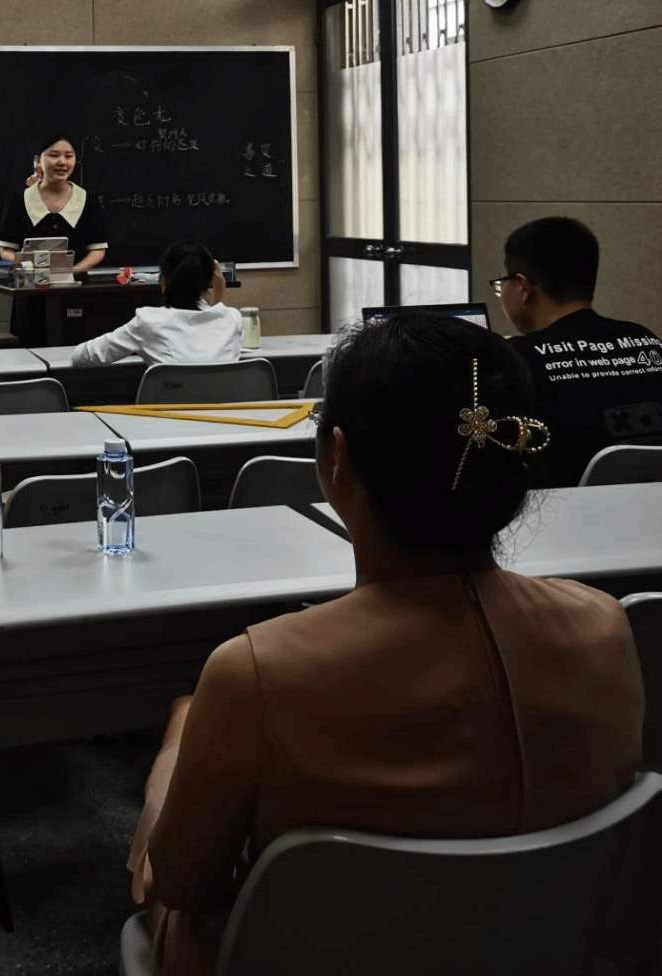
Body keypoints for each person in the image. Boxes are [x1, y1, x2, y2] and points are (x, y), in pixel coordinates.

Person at [127, 313, 643, 976]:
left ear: (337, 457)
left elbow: (175, 882)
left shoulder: (256, 672)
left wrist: (175, 751)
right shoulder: (606, 625)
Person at [497, 216, 662, 487]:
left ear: (523, 287)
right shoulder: (645, 339)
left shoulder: (515, 361)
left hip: (559, 510)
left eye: (501, 284)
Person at [0, 132, 108, 343]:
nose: (62, 162)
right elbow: (5, 252)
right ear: (38, 160)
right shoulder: (20, 200)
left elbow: (98, 251)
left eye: (69, 156)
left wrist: (70, 272)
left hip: (76, 292)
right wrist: (30, 266)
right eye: (54, 155)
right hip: (30, 295)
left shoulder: (88, 200)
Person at [70, 241, 240, 366]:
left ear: (163, 278)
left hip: (168, 407)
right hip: (222, 406)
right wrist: (219, 288)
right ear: (211, 279)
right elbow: (217, 317)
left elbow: (81, 357)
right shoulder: (232, 319)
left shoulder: (149, 321)